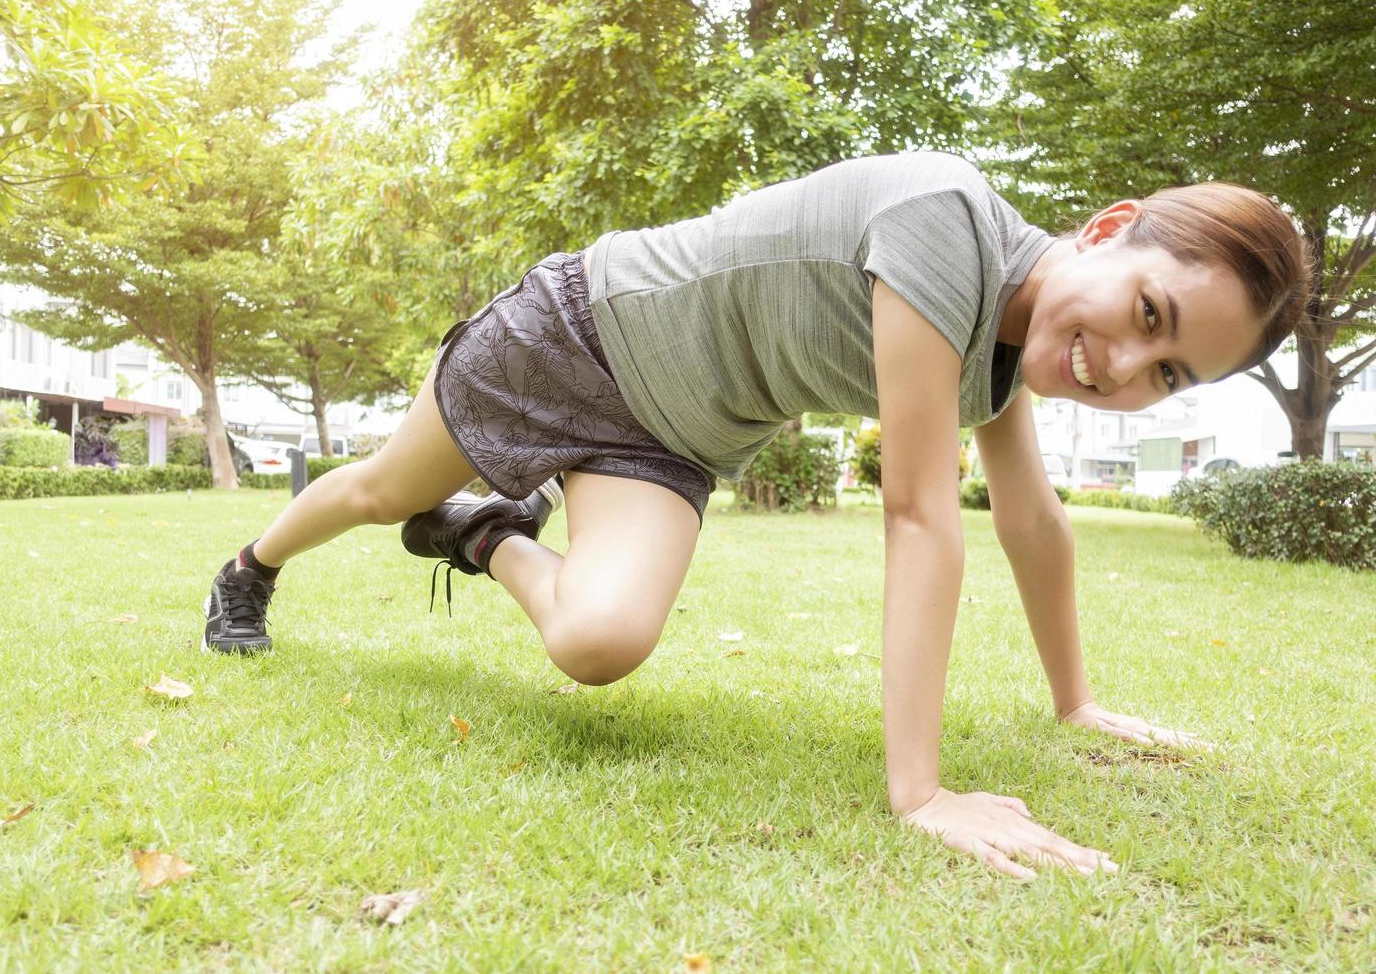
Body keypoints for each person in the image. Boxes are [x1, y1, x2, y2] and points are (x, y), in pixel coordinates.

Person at [200, 150, 1309, 879]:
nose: (1122, 367)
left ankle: (485, 530)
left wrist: (1078, 705)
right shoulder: (946, 222)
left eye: (1167, 375)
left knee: (599, 642)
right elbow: (922, 512)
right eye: (1147, 313)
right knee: (375, 489)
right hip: (573, 335)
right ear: (1111, 229)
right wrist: (919, 791)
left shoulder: (1001, 365)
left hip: (669, 441)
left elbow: (1032, 518)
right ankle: (251, 566)